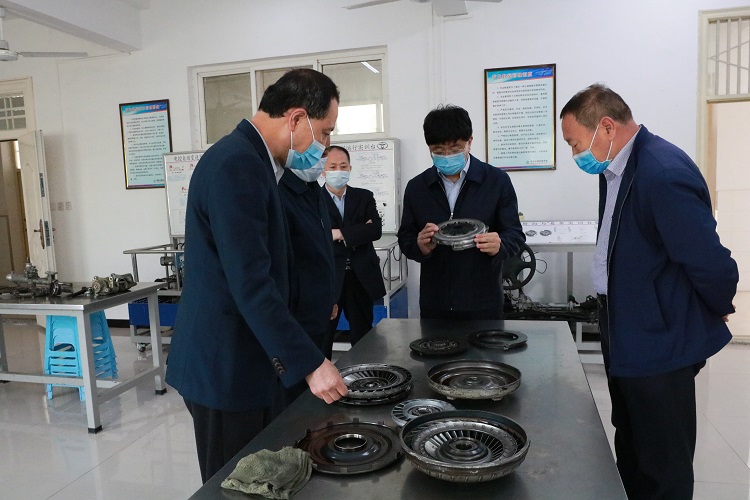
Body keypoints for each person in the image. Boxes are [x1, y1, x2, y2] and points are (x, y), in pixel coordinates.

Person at [165, 68, 348, 484]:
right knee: (232, 484)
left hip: (248, 360)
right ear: (296, 118)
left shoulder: (253, 162)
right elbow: (251, 284)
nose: (324, 146)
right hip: (224, 366)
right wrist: (311, 363)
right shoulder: (238, 165)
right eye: (324, 133)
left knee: (258, 477)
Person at [560, 83, 739, 499]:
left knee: (663, 462)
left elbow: (710, 262)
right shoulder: (615, 169)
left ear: (606, 127)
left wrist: (715, 306)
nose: (574, 154)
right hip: (625, 333)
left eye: (574, 143)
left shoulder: (661, 172)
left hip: (658, 342)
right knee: (633, 447)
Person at [397, 104, 525, 320]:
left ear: (470, 142)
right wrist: (420, 246)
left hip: (483, 301)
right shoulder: (417, 187)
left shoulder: (496, 181)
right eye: (438, 151)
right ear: (429, 148)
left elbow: (515, 234)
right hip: (435, 302)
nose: (447, 156)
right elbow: (405, 238)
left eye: (455, 149)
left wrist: (500, 245)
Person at [276, 146, 336, 402]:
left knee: (313, 397)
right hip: (296, 317)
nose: (321, 159)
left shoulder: (314, 191)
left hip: (317, 313)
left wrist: (330, 297)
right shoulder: (278, 193)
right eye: (318, 150)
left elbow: (323, 251)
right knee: (293, 399)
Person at [321, 145, 386, 357]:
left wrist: (338, 233)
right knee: (323, 337)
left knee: (363, 337)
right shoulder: (313, 200)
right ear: (323, 170)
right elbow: (315, 235)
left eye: (343, 166)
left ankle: (365, 376)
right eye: (332, 167)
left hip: (361, 277)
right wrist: (358, 231)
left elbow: (375, 230)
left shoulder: (364, 197)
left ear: (350, 168)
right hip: (329, 278)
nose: (338, 171)